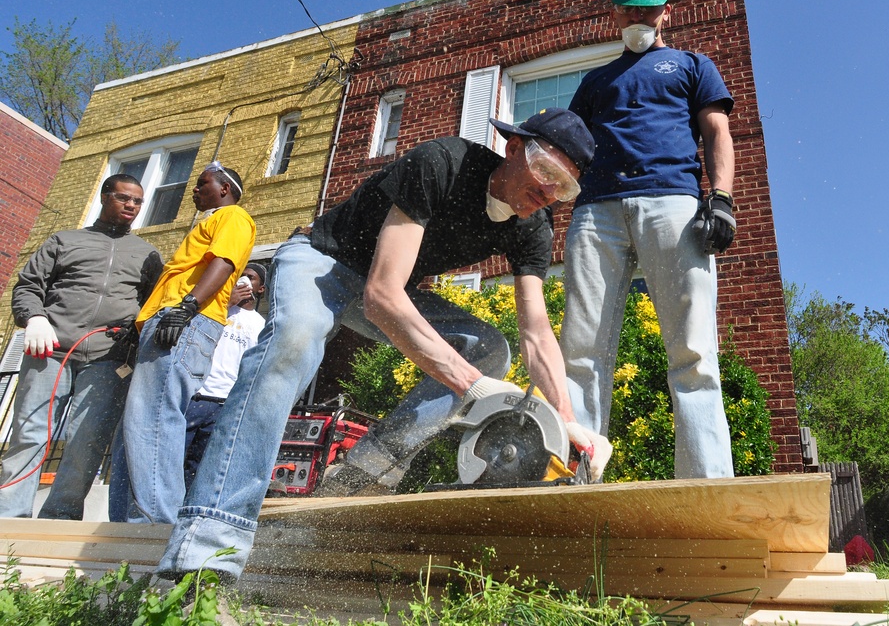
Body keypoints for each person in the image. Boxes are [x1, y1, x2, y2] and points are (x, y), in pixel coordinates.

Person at [157, 107, 610, 582]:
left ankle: (356, 479)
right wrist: (473, 387)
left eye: (565, 188)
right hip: (322, 262)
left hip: (383, 287)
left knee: (490, 348)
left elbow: (536, 331)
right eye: (545, 173)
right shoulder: (442, 163)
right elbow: (381, 296)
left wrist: (567, 422)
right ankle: (206, 548)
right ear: (513, 148)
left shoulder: (532, 225)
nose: (548, 193)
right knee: (292, 343)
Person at [561, 0, 737, 479]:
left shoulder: (691, 65)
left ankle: (708, 488)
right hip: (595, 213)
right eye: (628, 9)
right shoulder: (595, 82)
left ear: (667, 9)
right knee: (581, 350)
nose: (638, 18)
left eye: (649, 8)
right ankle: (573, 480)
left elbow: (717, 133)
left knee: (693, 350)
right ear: (613, 11)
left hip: (673, 205)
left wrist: (721, 199)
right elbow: (566, 148)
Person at [0, 174, 162, 519]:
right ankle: (9, 517)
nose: (131, 205)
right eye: (124, 198)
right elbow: (27, 286)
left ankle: (60, 515)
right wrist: (34, 319)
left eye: (137, 202)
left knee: (86, 442)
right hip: (51, 350)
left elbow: (152, 306)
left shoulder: (147, 254)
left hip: (109, 359)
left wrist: (133, 340)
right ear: (105, 196)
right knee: (30, 433)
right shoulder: (65, 240)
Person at [119, 161, 255, 524]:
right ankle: (123, 528)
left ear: (225, 188)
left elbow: (224, 263)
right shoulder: (209, 222)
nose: (194, 190)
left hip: (187, 321)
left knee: (156, 418)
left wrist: (188, 307)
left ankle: (157, 526)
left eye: (202, 183)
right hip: (169, 321)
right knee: (136, 424)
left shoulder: (234, 216)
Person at [183, 262, 266, 490]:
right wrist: (228, 300)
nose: (245, 280)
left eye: (251, 277)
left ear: (260, 289)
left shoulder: (261, 325)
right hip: (194, 396)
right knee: (173, 458)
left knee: (200, 466)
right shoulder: (216, 307)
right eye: (241, 275)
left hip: (223, 403)